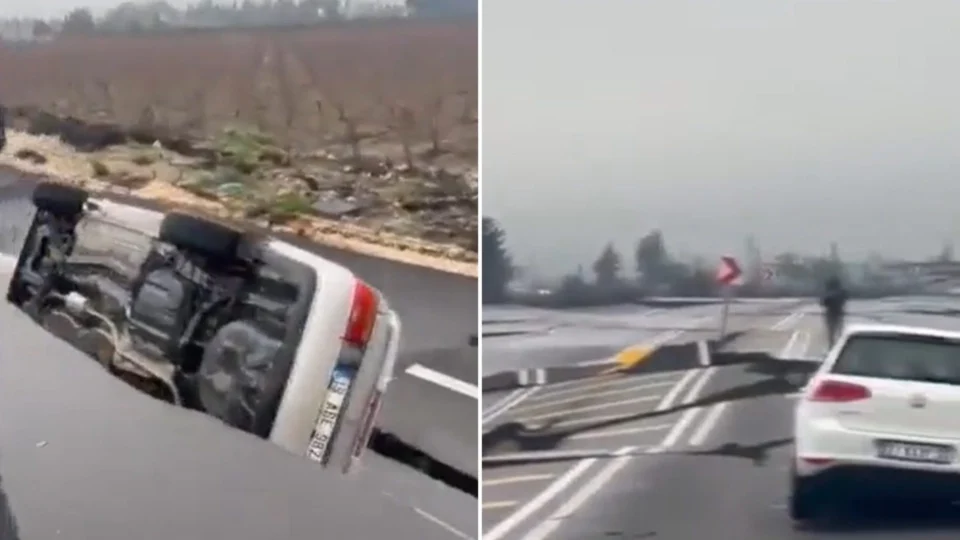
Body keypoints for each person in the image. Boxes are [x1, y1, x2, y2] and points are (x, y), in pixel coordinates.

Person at [821, 276, 848, 347]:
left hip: (832, 314)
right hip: (838, 313)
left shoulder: (829, 293)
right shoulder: (841, 292)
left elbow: (823, 303)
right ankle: (838, 346)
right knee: (838, 332)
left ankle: (832, 347)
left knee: (832, 333)